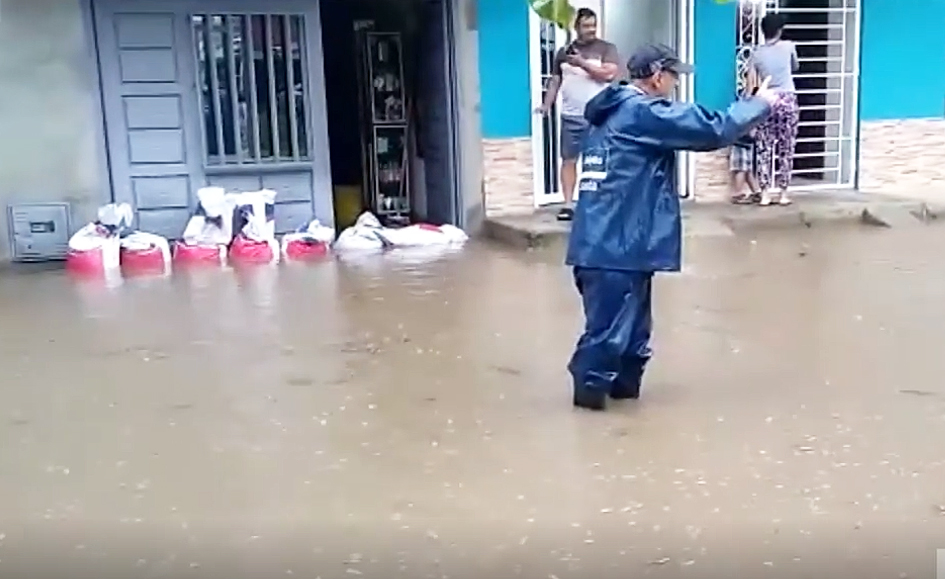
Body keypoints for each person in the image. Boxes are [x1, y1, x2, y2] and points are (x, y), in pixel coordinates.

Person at [565, 43, 778, 411]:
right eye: (675, 76)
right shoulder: (640, 112)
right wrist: (759, 103)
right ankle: (591, 432)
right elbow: (714, 130)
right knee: (605, 344)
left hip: (618, 245)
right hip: (614, 246)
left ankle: (622, 432)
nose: (676, 84)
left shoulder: (615, 110)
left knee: (631, 342)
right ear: (658, 76)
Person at [536, 8, 619, 222]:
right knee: (569, 160)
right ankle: (568, 205)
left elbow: (608, 75)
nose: (591, 30)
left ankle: (600, 204)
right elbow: (555, 80)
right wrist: (546, 105)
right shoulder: (563, 52)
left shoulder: (606, 48)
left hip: (599, 116)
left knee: (601, 162)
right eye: (586, 26)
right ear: (576, 27)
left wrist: (582, 63)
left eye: (593, 25)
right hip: (571, 116)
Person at [751, 12, 800, 206]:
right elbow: (795, 67)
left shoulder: (756, 53)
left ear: (763, 32)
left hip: (766, 101)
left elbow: (751, 81)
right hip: (787, 99)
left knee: (764, 148)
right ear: (780, 30)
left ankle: (764, 194)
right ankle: (783, 193)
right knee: (786, 148)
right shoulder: (789, 47)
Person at [730, 66, 763, 204]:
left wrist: (752, 68)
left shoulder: (752, 97)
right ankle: (757, 192)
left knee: (741, 167)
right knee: (746, 167)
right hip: (745, 135)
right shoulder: (753, 97)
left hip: (742, 135)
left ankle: (738, 194)